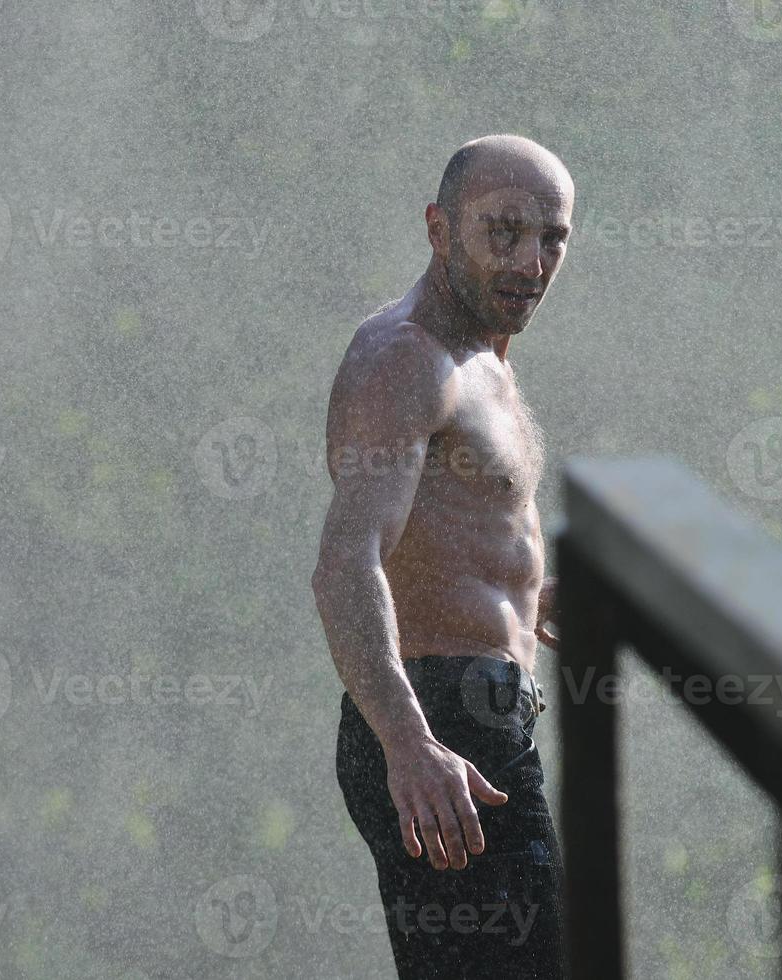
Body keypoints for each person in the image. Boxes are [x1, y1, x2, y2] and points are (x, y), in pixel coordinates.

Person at [310, 133, 574, 978]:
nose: (530, 261)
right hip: (443, 729)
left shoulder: (482, 359)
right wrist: (409, 743)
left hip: (474, 718)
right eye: (503, 232)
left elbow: (439, 543)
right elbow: (347, 563)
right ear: (438, 227)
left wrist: (527, 597)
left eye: (552, 239)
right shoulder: (405, 360)